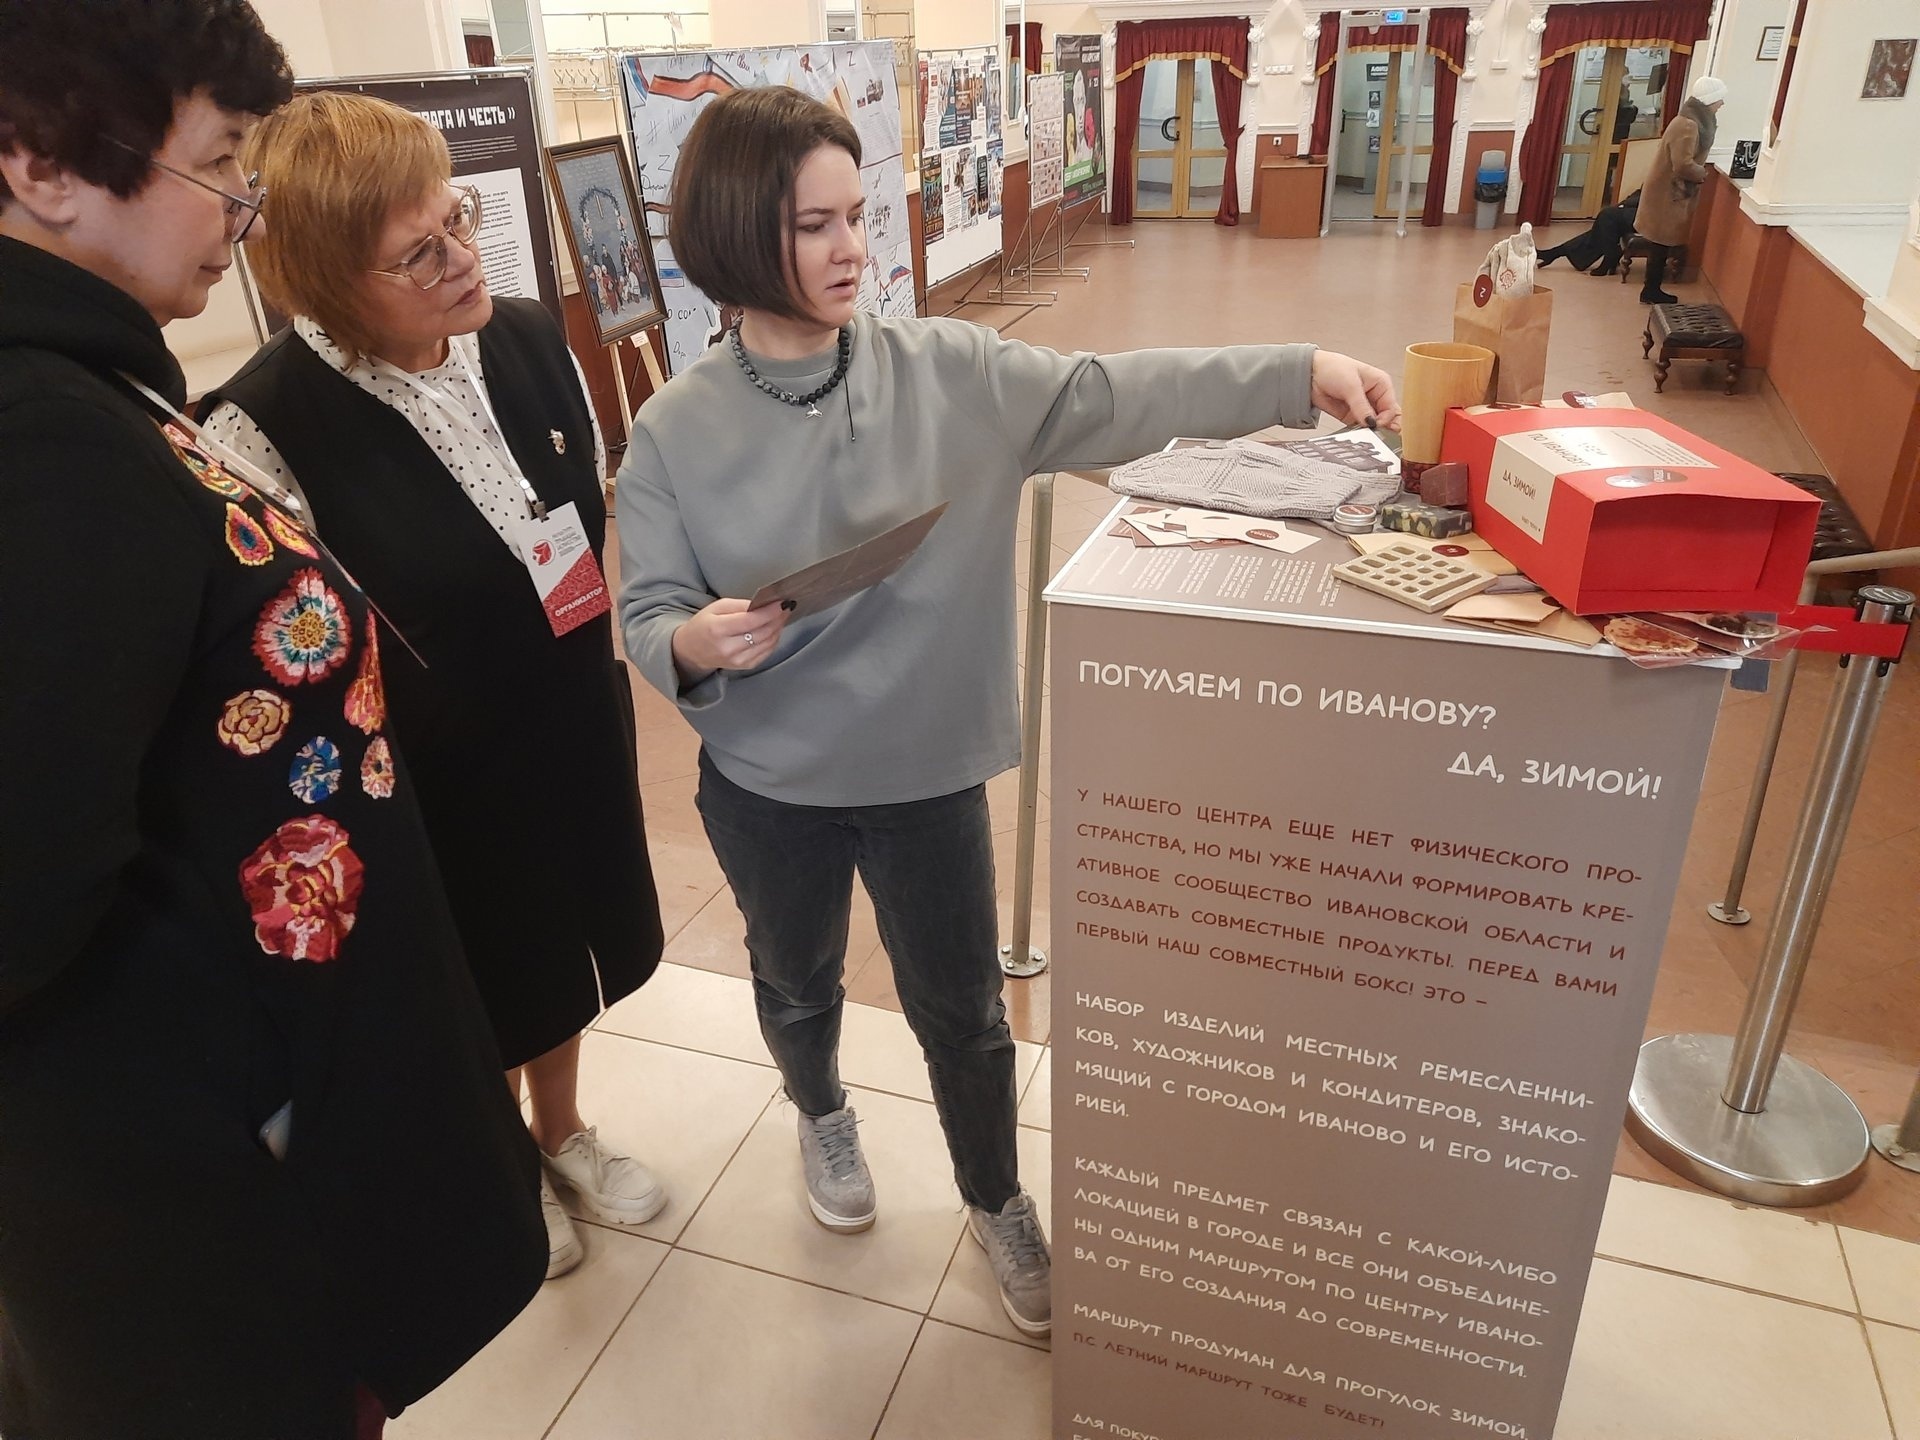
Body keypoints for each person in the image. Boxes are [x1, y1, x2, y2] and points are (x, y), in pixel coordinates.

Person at [617, 85, 1400, 1339]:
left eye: (857, 215)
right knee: (795, 980)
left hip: (926, 775)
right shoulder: (672, 428)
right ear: (734, 232)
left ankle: (994, 1196)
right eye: (813, 225)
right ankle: (821, 1114)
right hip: (768, 780)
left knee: (964, 1012)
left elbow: (1114, 393)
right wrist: (694, 641)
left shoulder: (951, 373)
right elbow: (648, 609)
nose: (851, 248)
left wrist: (1292, 371)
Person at [0, 4, 547, 1436]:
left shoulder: (92, 387)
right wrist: (262, 1100)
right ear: (41, 162)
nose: (242, 205)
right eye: (218, 160)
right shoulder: (45, 436)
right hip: (219, 1183)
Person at [200, 91, 669, 1281]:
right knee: (474, 973)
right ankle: (499, 1163)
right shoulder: (262, 427)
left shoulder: (528, 337)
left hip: (567, 713)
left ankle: (561, 1132)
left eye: (457, 220)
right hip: (428, 773)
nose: (463, 258)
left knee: (568, 940)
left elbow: (575, 519)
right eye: (419, 253)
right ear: (323, 286)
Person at [1633, 75, 1725, 304]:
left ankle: (1651, 289)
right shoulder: (1689, 125)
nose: (1722, 104)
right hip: (1668, 194)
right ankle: (1651, 290)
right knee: (1660, 243)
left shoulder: (1689, 120)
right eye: (1719, 99)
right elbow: (1682, 164)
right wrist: (1702, 173)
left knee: (1660, 243)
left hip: (1669, 192)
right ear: (1709, 100)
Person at [1538, 189, 1640, 275]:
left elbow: (1647, 198)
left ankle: (1610, 257)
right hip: (1640, 209)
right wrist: (1624, 203)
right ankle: (1554, 253)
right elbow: (1641, 192)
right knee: (1602, 228)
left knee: (1607, 215)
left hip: (1647, 215)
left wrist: (1625, 204)